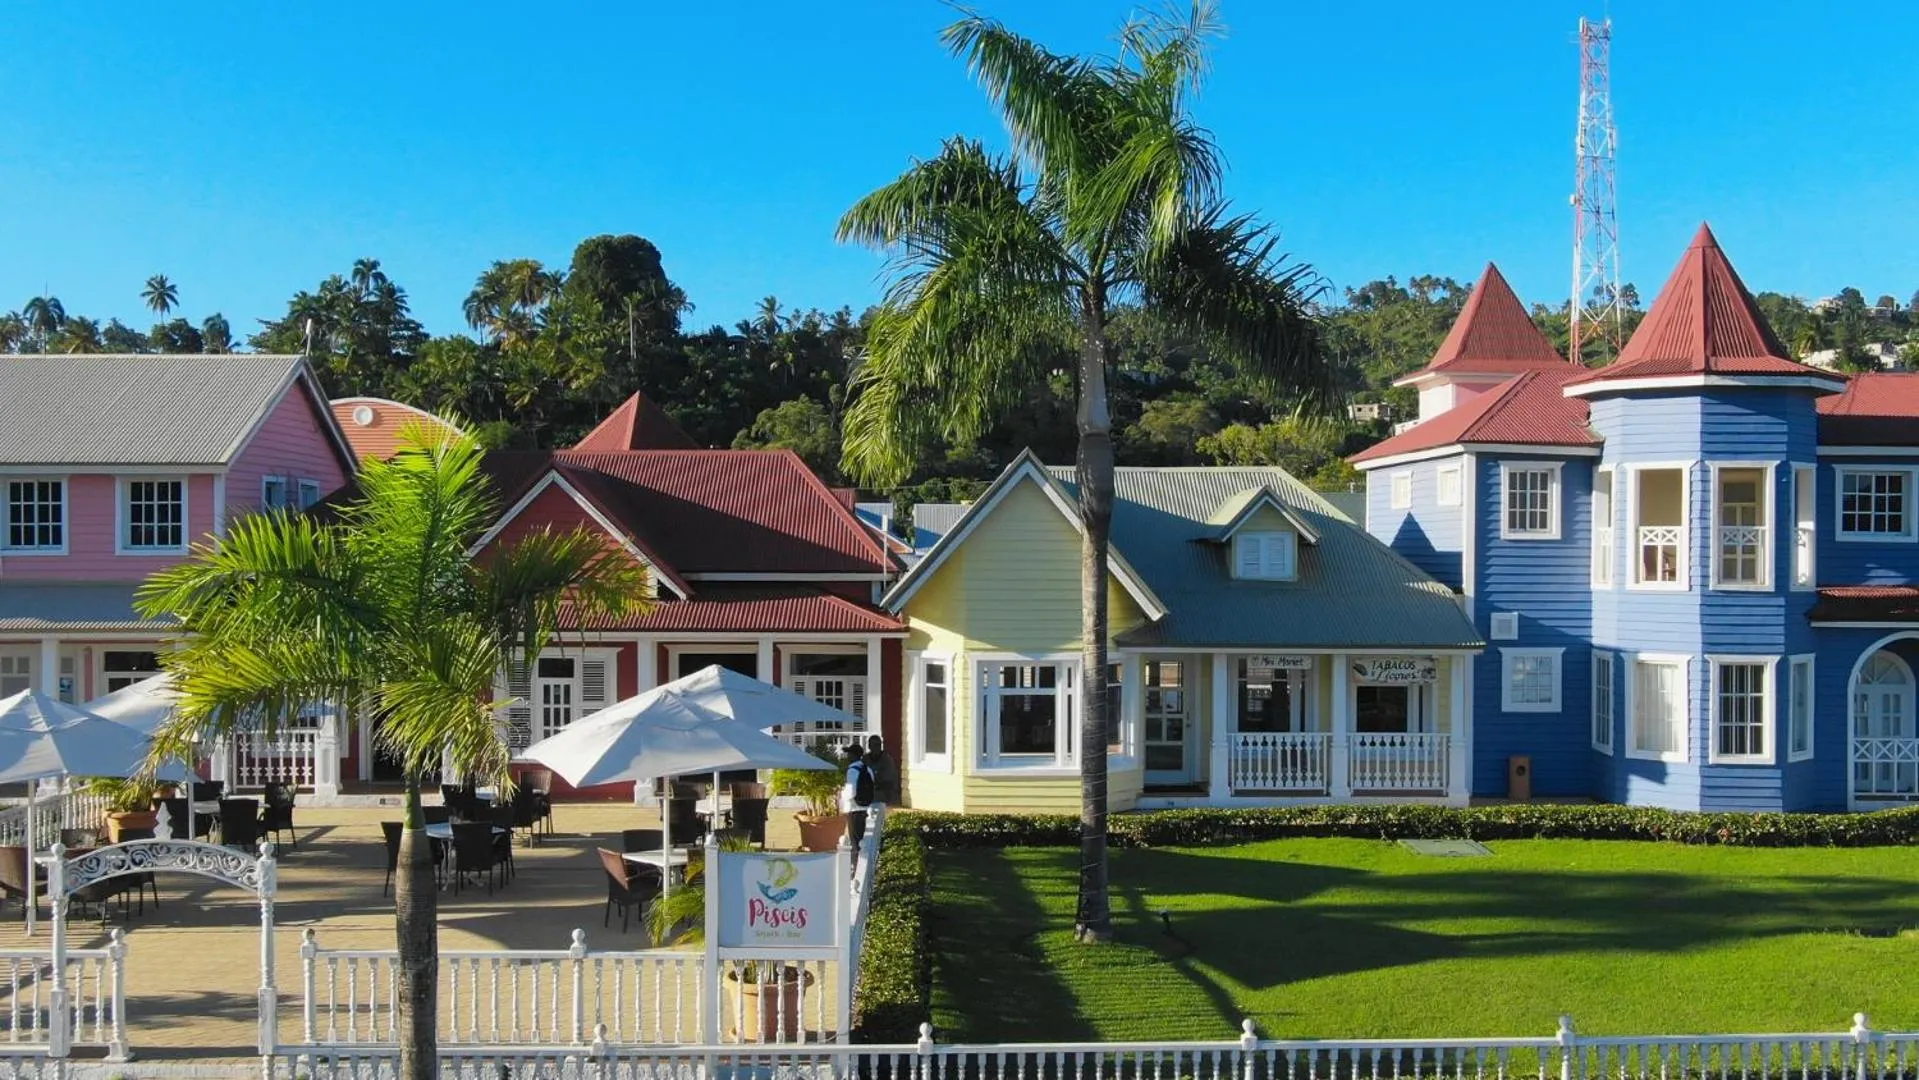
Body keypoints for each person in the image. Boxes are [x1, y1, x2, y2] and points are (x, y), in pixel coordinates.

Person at [840, 743, 876, 851]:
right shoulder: (868, 769)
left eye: (849, 754)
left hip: (854, 809)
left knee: (855, 842)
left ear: (853, 755)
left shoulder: (852, 770)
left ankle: (855, 865)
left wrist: (842, 795)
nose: (847, 756)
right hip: (864, 808)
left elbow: (851, 791)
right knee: (861, 839)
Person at [864, 734, 899, 806]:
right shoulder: (865, 759)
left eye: (879, 745)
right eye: (875, 745)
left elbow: (888, 781)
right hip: (868, 797)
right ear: (869, 746)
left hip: (885, 797)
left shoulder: (887, 760)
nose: (877, 747)